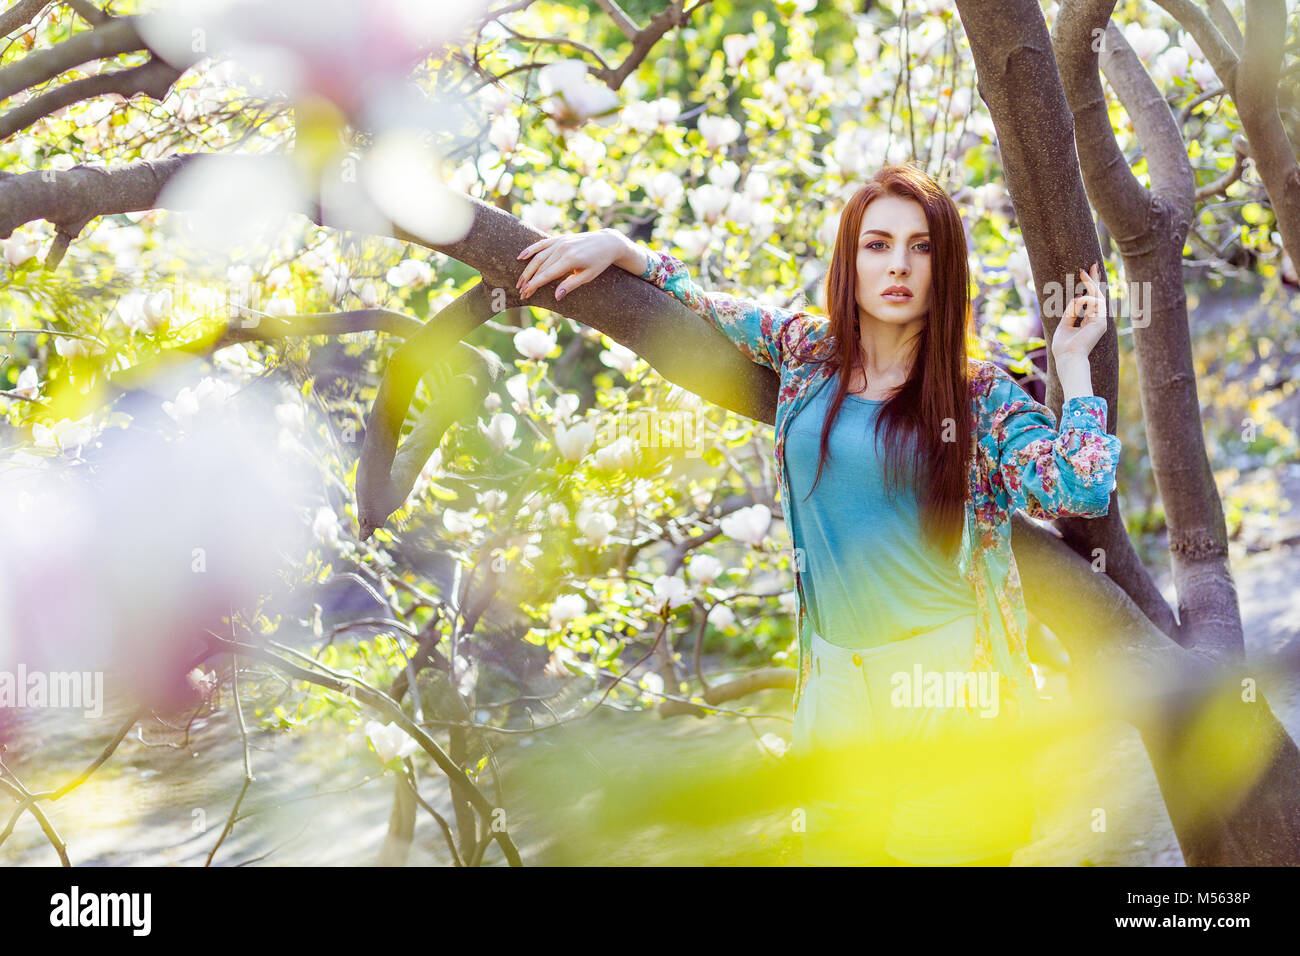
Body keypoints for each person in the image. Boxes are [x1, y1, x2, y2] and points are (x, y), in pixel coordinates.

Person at [514, 163, 1121, 866]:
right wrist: (624, 247)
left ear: (945, 266)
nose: (898, 265)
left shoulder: (976, 391)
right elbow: (705, 303)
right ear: (851, 259)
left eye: (921, 247)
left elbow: (1077, 489)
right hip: (834, 681)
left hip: (946, 683)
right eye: (878, 244)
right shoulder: (808, 351)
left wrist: (1073, 364)